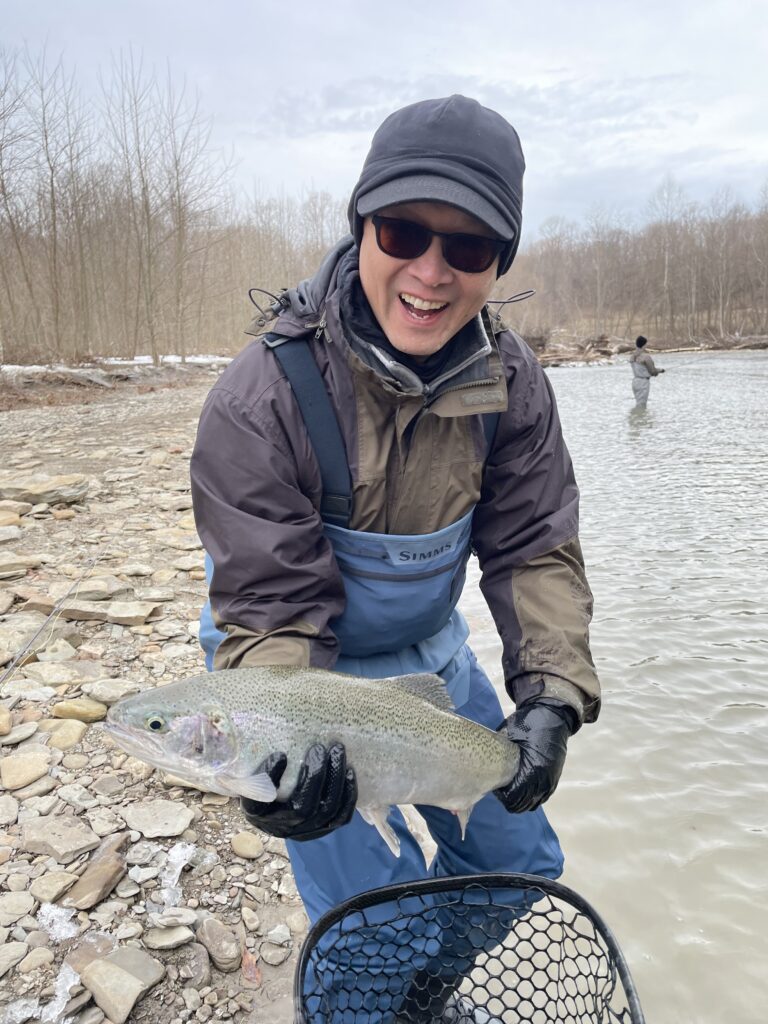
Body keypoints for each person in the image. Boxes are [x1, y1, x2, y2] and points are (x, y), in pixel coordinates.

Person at [191, 95, 601, 1020]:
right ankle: (359, 998)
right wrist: (276, 759)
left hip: (432, 660)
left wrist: (551, 700)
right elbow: (268, 609)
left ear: (499, 262)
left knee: (517, 865)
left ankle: (419, 995)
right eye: (404, 230)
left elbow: (536, 550)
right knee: (373, 916)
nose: (430, 271)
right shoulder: (262, 398)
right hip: (300, 669)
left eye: (468, 249)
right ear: (361, 225)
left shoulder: (515, 384)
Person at [629, 335, 664, 406]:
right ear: (644, 345)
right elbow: (652, 371)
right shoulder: (646, 357)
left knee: (638, 403)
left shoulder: (632, 357)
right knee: (642, 405)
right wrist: (660, 371)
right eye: (646, 344)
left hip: (635, 382)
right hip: (643, 383)